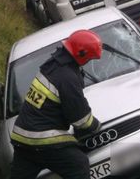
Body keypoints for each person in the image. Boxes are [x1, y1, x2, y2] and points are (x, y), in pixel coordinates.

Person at [10, 30, 103, 179]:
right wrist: (96, 126)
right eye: (89, 59)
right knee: (79, 165)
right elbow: (81, 120)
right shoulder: (67, 77)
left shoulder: (52, 66)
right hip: (42, 138)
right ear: (82, 55)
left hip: (22, 137)